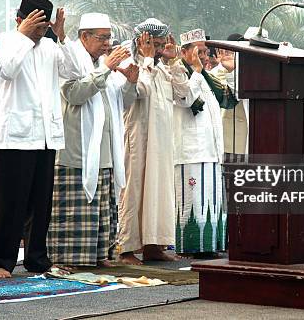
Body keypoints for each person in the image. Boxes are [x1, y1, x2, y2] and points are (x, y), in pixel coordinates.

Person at [0, 0, 71, 279]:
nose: (39, 30)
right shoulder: (9, 42)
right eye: (34, 23)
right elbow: (7, 71)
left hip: (46, 136)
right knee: (10, 203)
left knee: (40, 203)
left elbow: (73, 71)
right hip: (15, 137)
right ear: (19, 19)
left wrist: (61, 37)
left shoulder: (50, 45)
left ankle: (37, 258)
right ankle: (1, 261)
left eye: (42, 25)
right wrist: (24, 36)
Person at [48, 13, 137, 268]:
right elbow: (76, 94)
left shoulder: (103, 64)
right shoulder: (70, 60)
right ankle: (70, 258)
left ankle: (101, 254)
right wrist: (106, 68)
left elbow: (123, 104)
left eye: (109, 37)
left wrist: (130, 83)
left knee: (103, 208)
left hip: (105, 152)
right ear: (84, 37)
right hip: (77, 150)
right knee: (76, 209)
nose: (107, 43)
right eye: (102, 38)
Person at [118, 18, 196, 265]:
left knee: (159, 190)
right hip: (137, 138)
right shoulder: (128, 64)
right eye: (155, 44)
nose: (160, 49)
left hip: (161, 143)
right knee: (134, 190)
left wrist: (174, 62)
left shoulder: (163, 67)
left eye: (163, 44)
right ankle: (126, 249)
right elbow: (140, 91)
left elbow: (186, 97)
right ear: (142, 41)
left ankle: (154, 244)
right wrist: (148, 59)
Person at [173, 29, 234, 255]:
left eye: (206, 52)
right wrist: (198, 72)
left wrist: (226, 70)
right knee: (193, 201)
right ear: (184, 51)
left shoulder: (206, 75)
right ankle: (192, 247)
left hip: (211, 149)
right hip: (191, 151)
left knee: (211, 200)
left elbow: (228, 94)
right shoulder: (177, 71)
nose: (204, 57)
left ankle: (209, 246)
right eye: (199, 52)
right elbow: (186, 98)